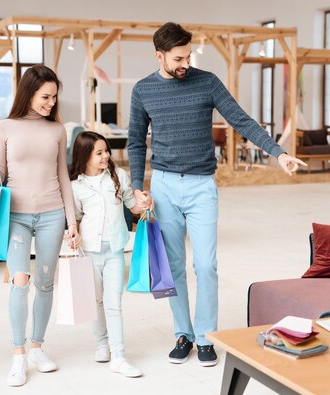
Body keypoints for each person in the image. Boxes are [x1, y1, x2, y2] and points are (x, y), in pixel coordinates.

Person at [127, 22, 306, 367]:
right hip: (163, 185)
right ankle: (184, 333)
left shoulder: (206, 81)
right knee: (174, 265)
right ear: (159, 56)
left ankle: (207, 335)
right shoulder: (143, 90)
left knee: (206, 265)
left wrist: (278, 152)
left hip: (201, 186)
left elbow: (241, 119)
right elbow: (136, 140)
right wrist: (137, 185)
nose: (185, 63)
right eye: (178, 57)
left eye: (189, 55)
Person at [0, 65, 79, 387]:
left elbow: (63, 176)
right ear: (28, 93)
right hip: (17, 217)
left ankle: (38, 346)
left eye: (54, 97)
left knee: (45, 282)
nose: (51, 103)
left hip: (53, 213)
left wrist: (72, 220)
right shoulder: (4, 127)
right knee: (20, 281)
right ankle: (18, 354)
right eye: (45, 97)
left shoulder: (57, 130)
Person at [69, 131, 147, 378]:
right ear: (85, 156)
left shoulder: (118, 176)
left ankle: (119, 355)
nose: (106, 156)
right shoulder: (75, 186)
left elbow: (131, 206)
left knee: (114, 303)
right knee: (95, 302)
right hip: (89, 251)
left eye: (107, 151)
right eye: (99, 152)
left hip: (114, 250)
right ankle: (101, 343)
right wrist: (73, 235)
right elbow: (77, 219)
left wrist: (143, 204)